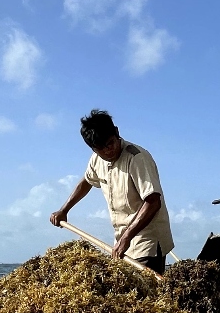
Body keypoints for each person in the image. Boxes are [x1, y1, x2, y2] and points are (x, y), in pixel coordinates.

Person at [50, 110, 174, 274]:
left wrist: (126, 238)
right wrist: (64, 210)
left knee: (143, 293)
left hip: (147, 241)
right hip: (123, 241)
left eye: (110, 143)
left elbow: (153, 202)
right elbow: (86, 181)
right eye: (100, 148)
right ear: (93, 149)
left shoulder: (136, 158)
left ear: (116, 132)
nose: (108, 151)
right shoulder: (97, 160)